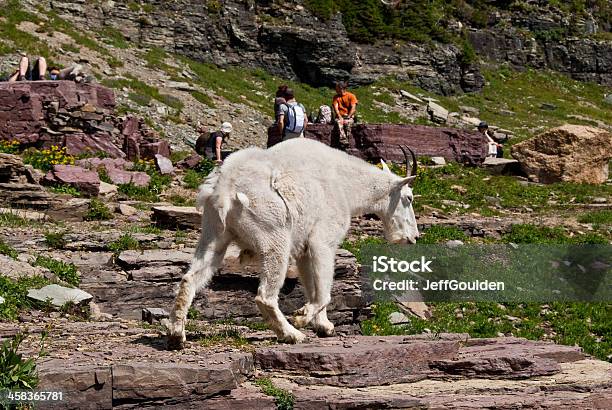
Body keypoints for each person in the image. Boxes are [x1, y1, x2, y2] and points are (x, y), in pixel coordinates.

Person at [332, 81, 358, 148]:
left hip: (349, 116)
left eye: (337, 88)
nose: (336, 90)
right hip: (340, 116)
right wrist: (340, 117)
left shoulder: (351, 96)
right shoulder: (336, 97)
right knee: (339, 123)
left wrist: (348, 117)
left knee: (347, 124)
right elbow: (336, 108)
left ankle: (348, 140)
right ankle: (343, 141)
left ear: (341, 88)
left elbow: (353, 108)